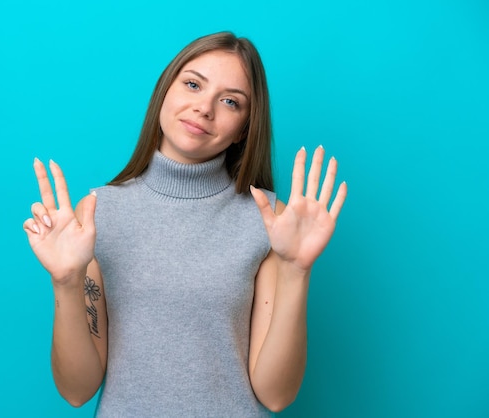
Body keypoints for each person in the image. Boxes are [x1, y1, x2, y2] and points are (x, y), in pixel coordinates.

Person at [23, 31, 347, 417]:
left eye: (230, 101)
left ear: (244, 127)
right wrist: (67, 282)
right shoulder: (97, 213)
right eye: (193, 84)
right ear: (165, 91)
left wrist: (296, 269)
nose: (204, 108)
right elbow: (77, 391)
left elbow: (276, 395)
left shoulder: (269, 221)